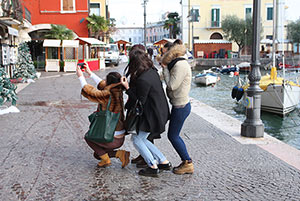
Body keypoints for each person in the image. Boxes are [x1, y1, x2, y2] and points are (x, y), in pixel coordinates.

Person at [121, 49, 171, 177]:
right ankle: (163, 161)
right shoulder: (152, 72)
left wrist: (127, 88)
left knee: (137, 139)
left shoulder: (143, 79)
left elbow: (139, 101)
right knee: (143, 138)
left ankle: (152, 166)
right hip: (160, 111)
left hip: (153, 115)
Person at [76, 63, 130, 168]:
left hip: (112, 137)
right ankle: (121, 154)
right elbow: (103, 84)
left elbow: (91, 93)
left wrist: (80, 76)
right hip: (119, 136)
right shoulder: (118, 89)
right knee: (97, 154)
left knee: (88, 137)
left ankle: (107, 160)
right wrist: (89, 72)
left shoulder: (107, 94)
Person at [161, 43, 194, 175]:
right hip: (179, 104)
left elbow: (172, 85)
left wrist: (164, 69)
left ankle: (187, 162)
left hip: (181, 106)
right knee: (173, 135)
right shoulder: (178, 63)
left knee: (173, 136)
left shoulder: (180, 65)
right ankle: (186, 161)